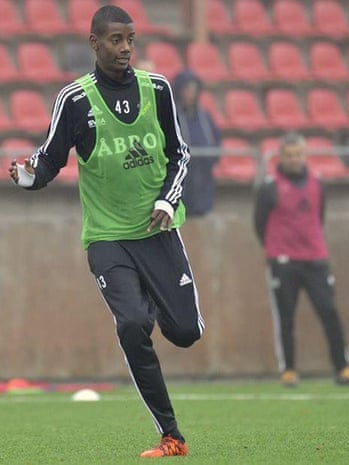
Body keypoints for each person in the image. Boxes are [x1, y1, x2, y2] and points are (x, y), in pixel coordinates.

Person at [9, 5, 204, 458]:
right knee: (133, 324)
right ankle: (171, 435)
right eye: (116, 40)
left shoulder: (158, 90)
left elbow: (181, 154)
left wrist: (166, 199)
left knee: (186, 331)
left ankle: (151, 297)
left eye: (130, 40)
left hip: (157, 230)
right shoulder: (75, 101)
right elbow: (50, 158)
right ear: (95, 44)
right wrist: (27, 176)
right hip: (107, 238)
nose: (125, 49)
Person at [253, 132, 349, 387]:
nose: (294, 159)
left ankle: (343, 368)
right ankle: (289, 370)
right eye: (289, 155)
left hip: (315, 259)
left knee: (329, 311)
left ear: (305, 155)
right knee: (286, 317)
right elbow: (259, 224)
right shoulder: (269, 186)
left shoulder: (317, 183)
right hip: (283, 262)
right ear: (281, 157)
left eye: (299, 154)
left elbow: (318, 216)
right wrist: (276, 250)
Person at [172, 69, 221, 216]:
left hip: (203, 175)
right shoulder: (172, 113)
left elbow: (215, 138)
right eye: (186, 89)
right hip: (181, 177)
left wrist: (212, 158)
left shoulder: (204, 115)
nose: (190, 94)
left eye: (193, 90)